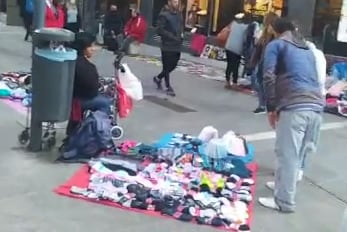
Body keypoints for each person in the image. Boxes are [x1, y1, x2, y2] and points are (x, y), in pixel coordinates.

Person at [258, 18, 324, 213]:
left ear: (273, 29)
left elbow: (268, 76)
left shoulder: (276, 45)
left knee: (287, 155)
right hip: (315, 107)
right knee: (296, 154)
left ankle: (284, 202)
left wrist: (270, 107)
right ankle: (281, 186)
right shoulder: (306, 49)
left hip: (294, 106)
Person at [71, 32, 111, 115]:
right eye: (90, 46)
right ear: (83, 48)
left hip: (73, 97)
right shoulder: (86, 66)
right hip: (77, 100)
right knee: (105, 102)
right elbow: (91, 91)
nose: (93, 49)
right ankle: (100, 126)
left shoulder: (72, 60)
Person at [249, 12, 279, 114]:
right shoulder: (265, 35)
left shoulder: (277, 37)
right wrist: (252, 63)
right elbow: (258, 49)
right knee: (260, 83)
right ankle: (263, 104)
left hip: (271, 64)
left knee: (267, 84)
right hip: (263, 63)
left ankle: (267, 105)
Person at [153, 0, 183, 97]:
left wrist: (181, 35)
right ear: (169, 2)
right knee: (166, 66)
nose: (176, 3)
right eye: (174, 2)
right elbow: (159, 29)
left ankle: (158, 77)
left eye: (177, 1)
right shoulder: (164, 15)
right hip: (167, 45)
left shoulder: (179, 14)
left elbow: (180, 26)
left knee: (174, 64)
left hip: (177, 45)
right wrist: (171, 36)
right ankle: (168, 86)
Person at [224, 13, 249, 89]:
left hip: (228, 47)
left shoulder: (233, 24)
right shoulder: (246, 27)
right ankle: (234, 83)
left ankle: (227, 82)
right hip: (237, 49)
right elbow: (245, 39)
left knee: (229, 65)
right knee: (235, 66)